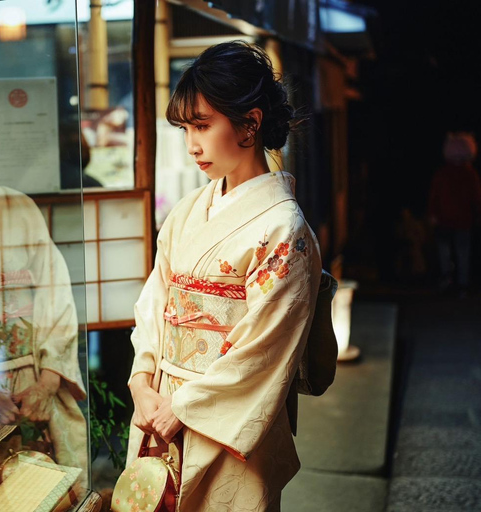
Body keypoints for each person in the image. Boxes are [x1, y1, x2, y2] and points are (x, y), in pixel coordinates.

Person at [127, 42, 322, 511]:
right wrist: (141, 379)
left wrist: (181, 407)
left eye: (203, 125)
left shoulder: (283, 228)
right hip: (158, 406)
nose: (192, 145)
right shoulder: (189, 210)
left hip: (222, 420)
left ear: (250, 124)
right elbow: (157, 298)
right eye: (186, 129)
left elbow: (264, 349)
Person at [427, 132, 481, 295]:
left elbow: (434, 195)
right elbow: (476, 198)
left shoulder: (446, 173)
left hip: (449, 219)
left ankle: (450, 279)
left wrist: (432, 213)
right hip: (458, 220)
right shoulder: (468, 174)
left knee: (450, 251)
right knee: (458, 252)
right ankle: (458, 281)